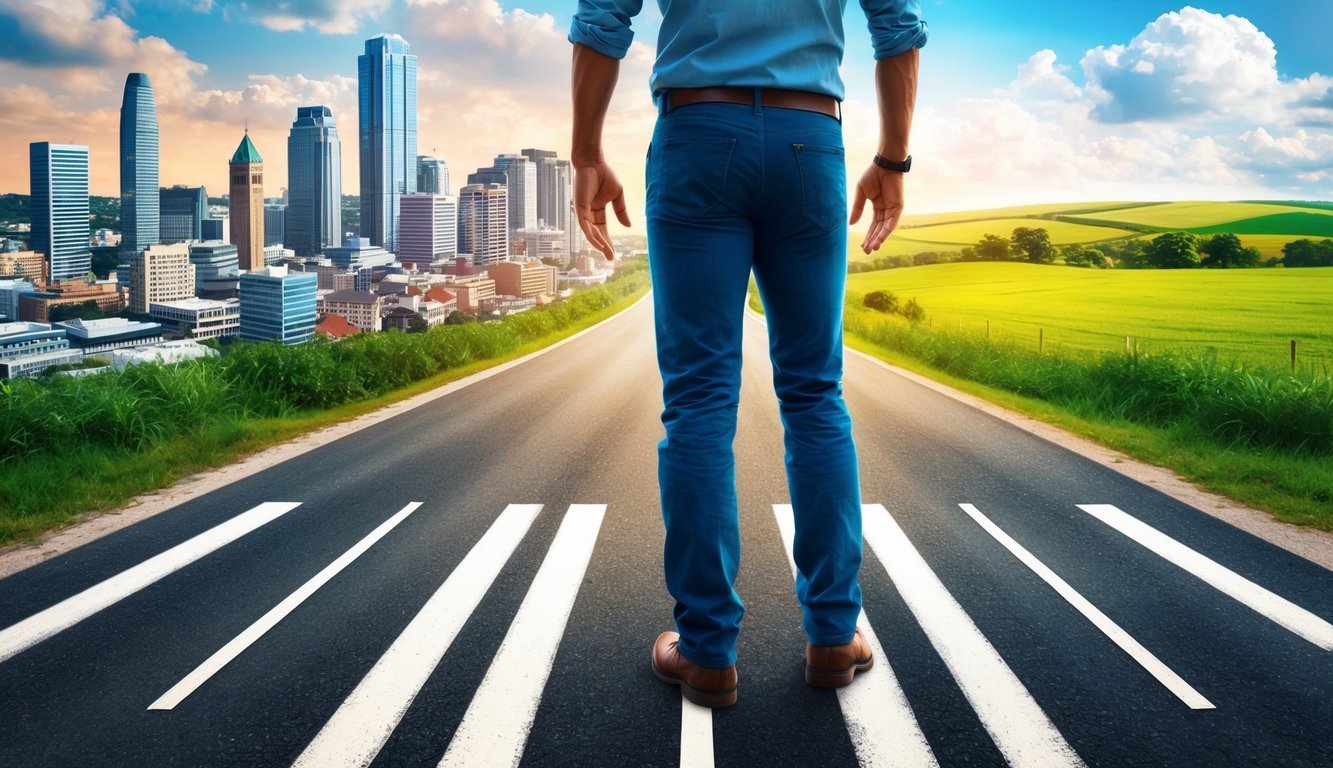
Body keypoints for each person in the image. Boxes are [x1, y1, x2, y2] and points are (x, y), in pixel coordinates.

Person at [569, 1, 927, 708]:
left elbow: (600, 20)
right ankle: (832, 633)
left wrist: (586, 153)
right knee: (814, 392)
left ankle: (705, 651)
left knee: (699, 399)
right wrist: (891, 158)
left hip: (695, 132)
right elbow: (898, 27)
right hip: (809, 136)